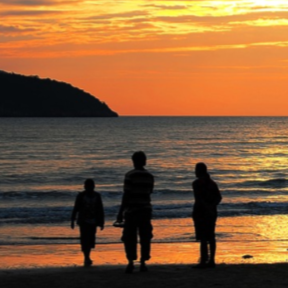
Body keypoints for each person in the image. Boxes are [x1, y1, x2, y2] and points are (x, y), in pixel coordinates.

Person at [116, 151, 154, 273]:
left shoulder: (129, 175)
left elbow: (126, 195)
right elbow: (150, 192)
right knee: (145, 237)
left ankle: (131, 262)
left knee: (129, 237)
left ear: (134, 161)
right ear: (144, 161)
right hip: (145, 210)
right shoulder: (149, 176)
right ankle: (143, 262)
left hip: (132, 211)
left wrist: (120, 212)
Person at [192, 162, 222, 268]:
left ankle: (204, 260)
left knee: (203, 237)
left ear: (199, 171)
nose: (194, 172)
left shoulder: (196, 184)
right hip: (211, 212)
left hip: (201, 212)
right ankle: (211, 260)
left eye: (196, 170)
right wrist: (211, 206)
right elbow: (219, 198)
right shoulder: (213, 184)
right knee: (210, 236)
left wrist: (207, 206)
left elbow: (199, 199)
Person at [71, 178, 104, 267]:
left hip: (93, 221)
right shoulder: (81, 196)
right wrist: (72, 220)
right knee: (85, 239)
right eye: (87, 186)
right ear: (85, 187)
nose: (89, 188)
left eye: (90, 186)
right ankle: (86, 257)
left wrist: (101, 222)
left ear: (93, 187)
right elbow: (76, 208)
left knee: (91, 239)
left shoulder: (97, 196)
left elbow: (100, 209)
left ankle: (87, 256)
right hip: (83, 221)